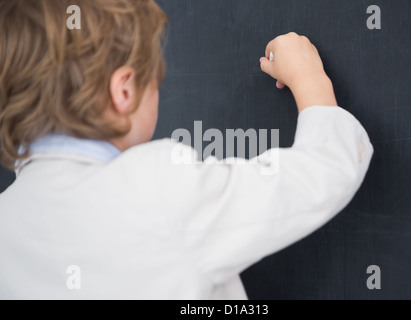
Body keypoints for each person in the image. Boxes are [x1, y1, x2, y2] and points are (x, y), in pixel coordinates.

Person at [0, 0, 373, 299]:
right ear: (124, 91)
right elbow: (323, 172)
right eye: (155, 80)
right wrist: (309, 79)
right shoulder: (158, 188)